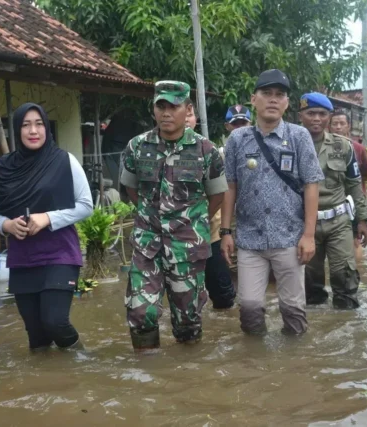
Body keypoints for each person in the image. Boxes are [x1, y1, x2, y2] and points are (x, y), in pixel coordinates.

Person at [120, 81, 228, 351]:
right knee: (140, 312)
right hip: (147, 244)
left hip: (187, 247)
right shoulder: (137, 147)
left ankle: (187, 377)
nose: (166, 113)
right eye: (161, 106)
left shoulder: (206, 151)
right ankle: (148, 377)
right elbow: (131, 189)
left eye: (174, 106)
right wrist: (151, 216)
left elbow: (217, 195)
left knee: (187, 319)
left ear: (188, 109)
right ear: (153, 110)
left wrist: (190, 221)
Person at [220, 69, 323, 335]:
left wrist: (309, 235)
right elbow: (229, 186)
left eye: (280, 95)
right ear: (254, 99)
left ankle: (293, 367)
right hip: (249, 239)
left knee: (293, 308)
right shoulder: (237, 139)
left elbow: (312, 185)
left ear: (287, 103)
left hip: (289, 237)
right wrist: (225, 231)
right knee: (250, 307)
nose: (273, 100)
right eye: (267, 94)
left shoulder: (299, 137)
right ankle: (255, 362)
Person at [0, 103, 93, 351]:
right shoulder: (4, 167)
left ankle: (82, 363)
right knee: (37, 336)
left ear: (47, 127)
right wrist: (6, 225)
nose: (33, 130)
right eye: (26, 125)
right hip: (23, 258)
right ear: (17, 130)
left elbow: (87, 205)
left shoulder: (65, 161)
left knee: (55, 322)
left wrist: (48, 218)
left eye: (39, 124)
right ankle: (46, 385)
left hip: (60, 254)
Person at [299, 92, 367, 309]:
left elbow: (354, 184)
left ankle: (346, 325)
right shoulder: (289, 146)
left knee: (344, 276)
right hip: (303, 223)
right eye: (311, 113)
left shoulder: (344, 147)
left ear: (329, 117)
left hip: (338, 221)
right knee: (310, 282)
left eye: (322, 114)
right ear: (301, 115)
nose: (317, 119)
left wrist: (362, 219)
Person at [186, 101, 236, 309]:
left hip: (209, 229)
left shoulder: (208, 150)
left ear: (196, 119)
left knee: (222, 292)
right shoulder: (151, 150)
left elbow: (222, 193)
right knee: (184, 294)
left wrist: (225, 230)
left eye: (190, 115)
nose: (187, 119)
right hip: (172, 236)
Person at [330, 111, 367, 192]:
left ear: (348, 126)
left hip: (355, 195)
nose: (338, 127)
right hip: (334, 196)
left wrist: (366, 193)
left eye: (342, 123)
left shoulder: (359, 148)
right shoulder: (325, 147)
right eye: (334, 124)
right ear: (330, 127)